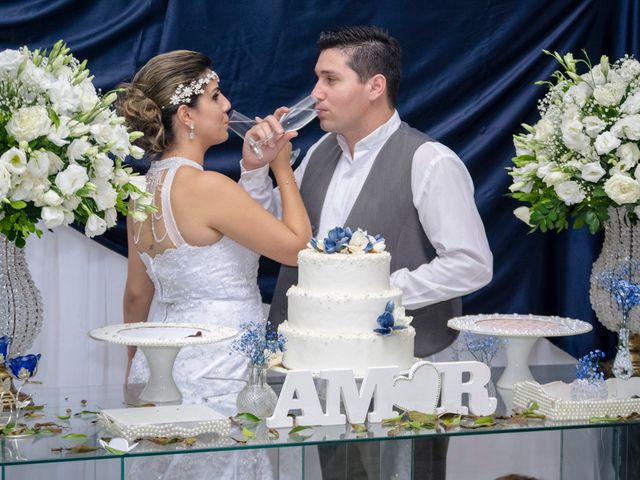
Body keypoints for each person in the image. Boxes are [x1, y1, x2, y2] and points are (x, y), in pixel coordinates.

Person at [240, 26, 493, 479]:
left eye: (330, 80)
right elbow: (274, 233)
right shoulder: (318, 152)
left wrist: (377, 295)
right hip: (321, 373)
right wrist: (258, 172)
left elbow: (472, 264)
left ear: (375, 86)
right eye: (317, 79)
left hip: (406, 372)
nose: (315, 93)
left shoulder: (430, 160)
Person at [118, 50, 311, 479]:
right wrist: (282, 169)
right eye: (216, 95)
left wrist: (134, 369)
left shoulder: (140, 191)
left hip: (158, 365)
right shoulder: (208, 187)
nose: (227, 106)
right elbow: (296, 249)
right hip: (218, 365)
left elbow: (137, 294)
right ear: (186, 115)